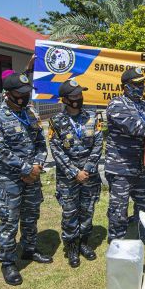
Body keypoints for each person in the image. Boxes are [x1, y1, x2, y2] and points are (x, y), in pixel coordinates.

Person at [0, 71, 52, 286]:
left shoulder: (30, 113)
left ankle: (29, 249)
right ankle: (8, 262)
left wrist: (38, 166)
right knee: (9, 222)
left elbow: (41, 143)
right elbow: (0, 151)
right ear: (8, 94)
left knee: (31, 217)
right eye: (20, 93)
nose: (25, 97)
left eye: (27, 92)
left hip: (32, 177)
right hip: (9, 181)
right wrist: (26, 170)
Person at [49, 79, 103, 268]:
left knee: (88, 211)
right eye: (74, 96)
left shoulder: (93, 117)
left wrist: (86, 169)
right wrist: (74, 172)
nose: (78, 99)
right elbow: (56, 150)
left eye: (80, 95)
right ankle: (72, 247)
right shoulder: (55, 122)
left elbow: (98, 144)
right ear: (64, 100)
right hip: (68, 178)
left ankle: (84, 243)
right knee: (70, 213)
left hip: (90, 176)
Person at [105, 68, 145, 243]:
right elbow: (136, 128)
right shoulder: (117, 105)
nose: (141, 87)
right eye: (137, 84)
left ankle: (143, 238)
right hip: (121, 167)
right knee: (119, 209)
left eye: (142, 83)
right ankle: (117, 243)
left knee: (144, 206)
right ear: (125, 87)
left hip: (141, 167)